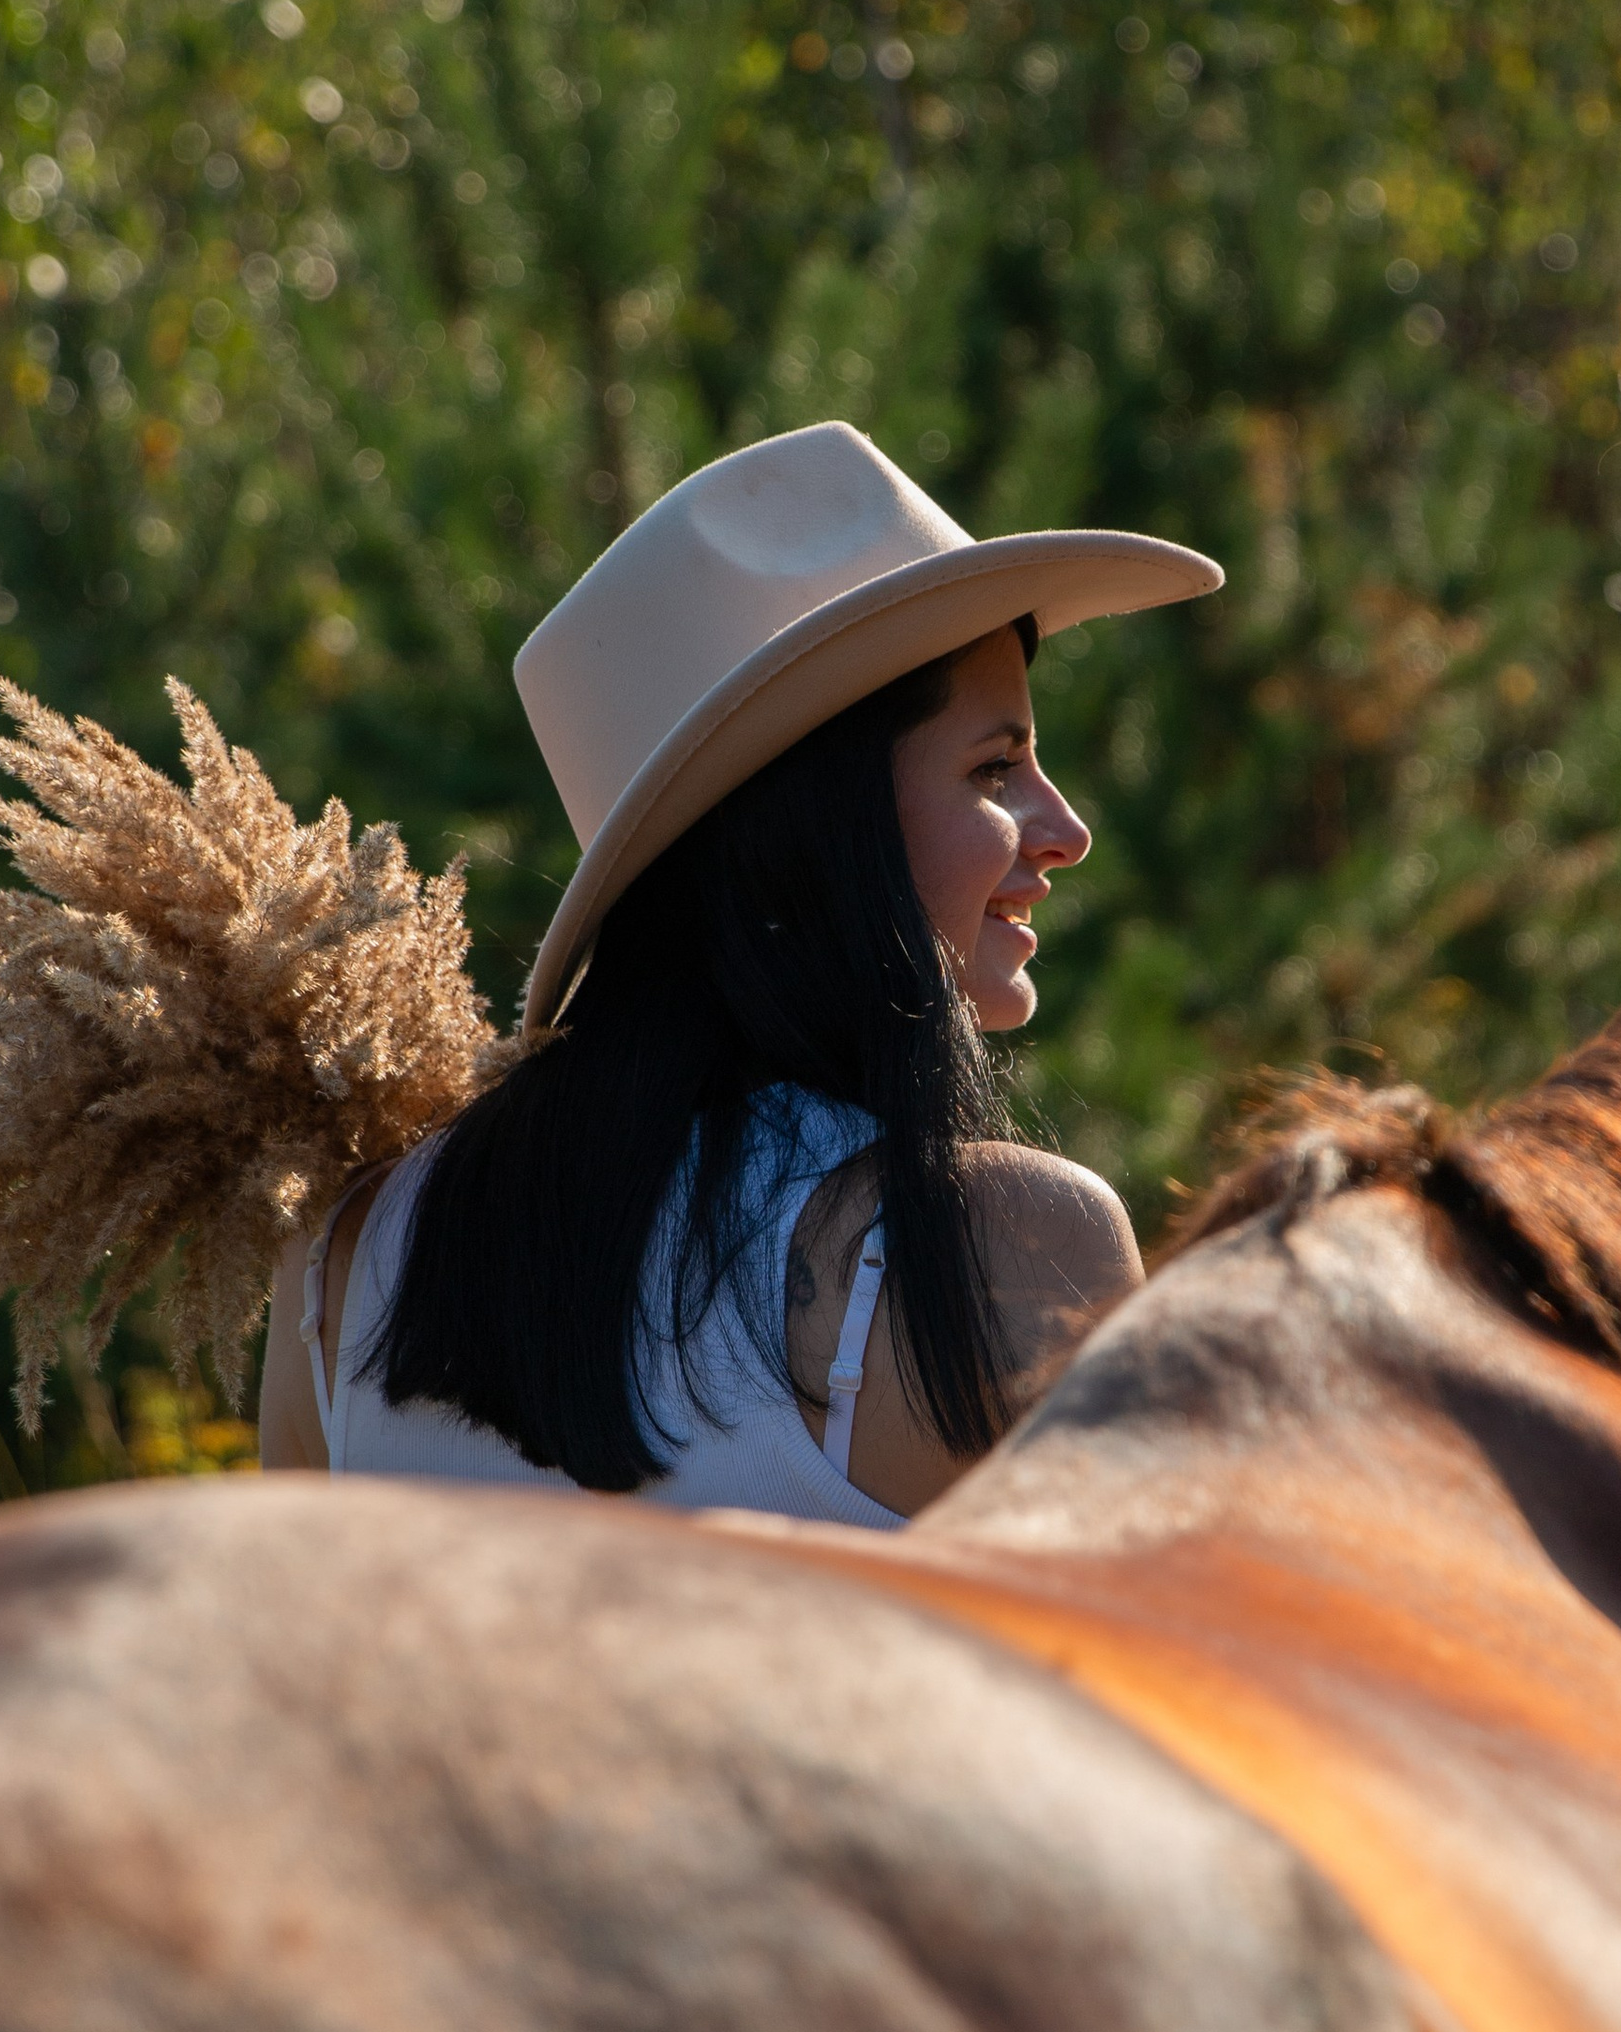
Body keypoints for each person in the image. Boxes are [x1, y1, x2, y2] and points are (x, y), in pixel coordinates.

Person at [260, 419, 1219, 1525]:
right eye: (996, 768)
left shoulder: (343, 1256)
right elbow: (1133, 1684)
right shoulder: (1008, 1243)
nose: (1065, 829)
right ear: (815, 831)